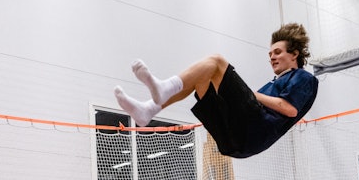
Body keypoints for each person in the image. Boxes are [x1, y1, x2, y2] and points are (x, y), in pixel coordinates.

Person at [113, 23, 319, 159]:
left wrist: (252, 94)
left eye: (277, 52)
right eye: (270, 53)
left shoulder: (303, 77)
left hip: (255, 129)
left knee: (217, 61)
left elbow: (290, 109)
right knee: (202, 77)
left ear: (294, 55)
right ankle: (149, 109)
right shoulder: (273, 83)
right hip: (234, 140)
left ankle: (161, 93)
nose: (272, 57)